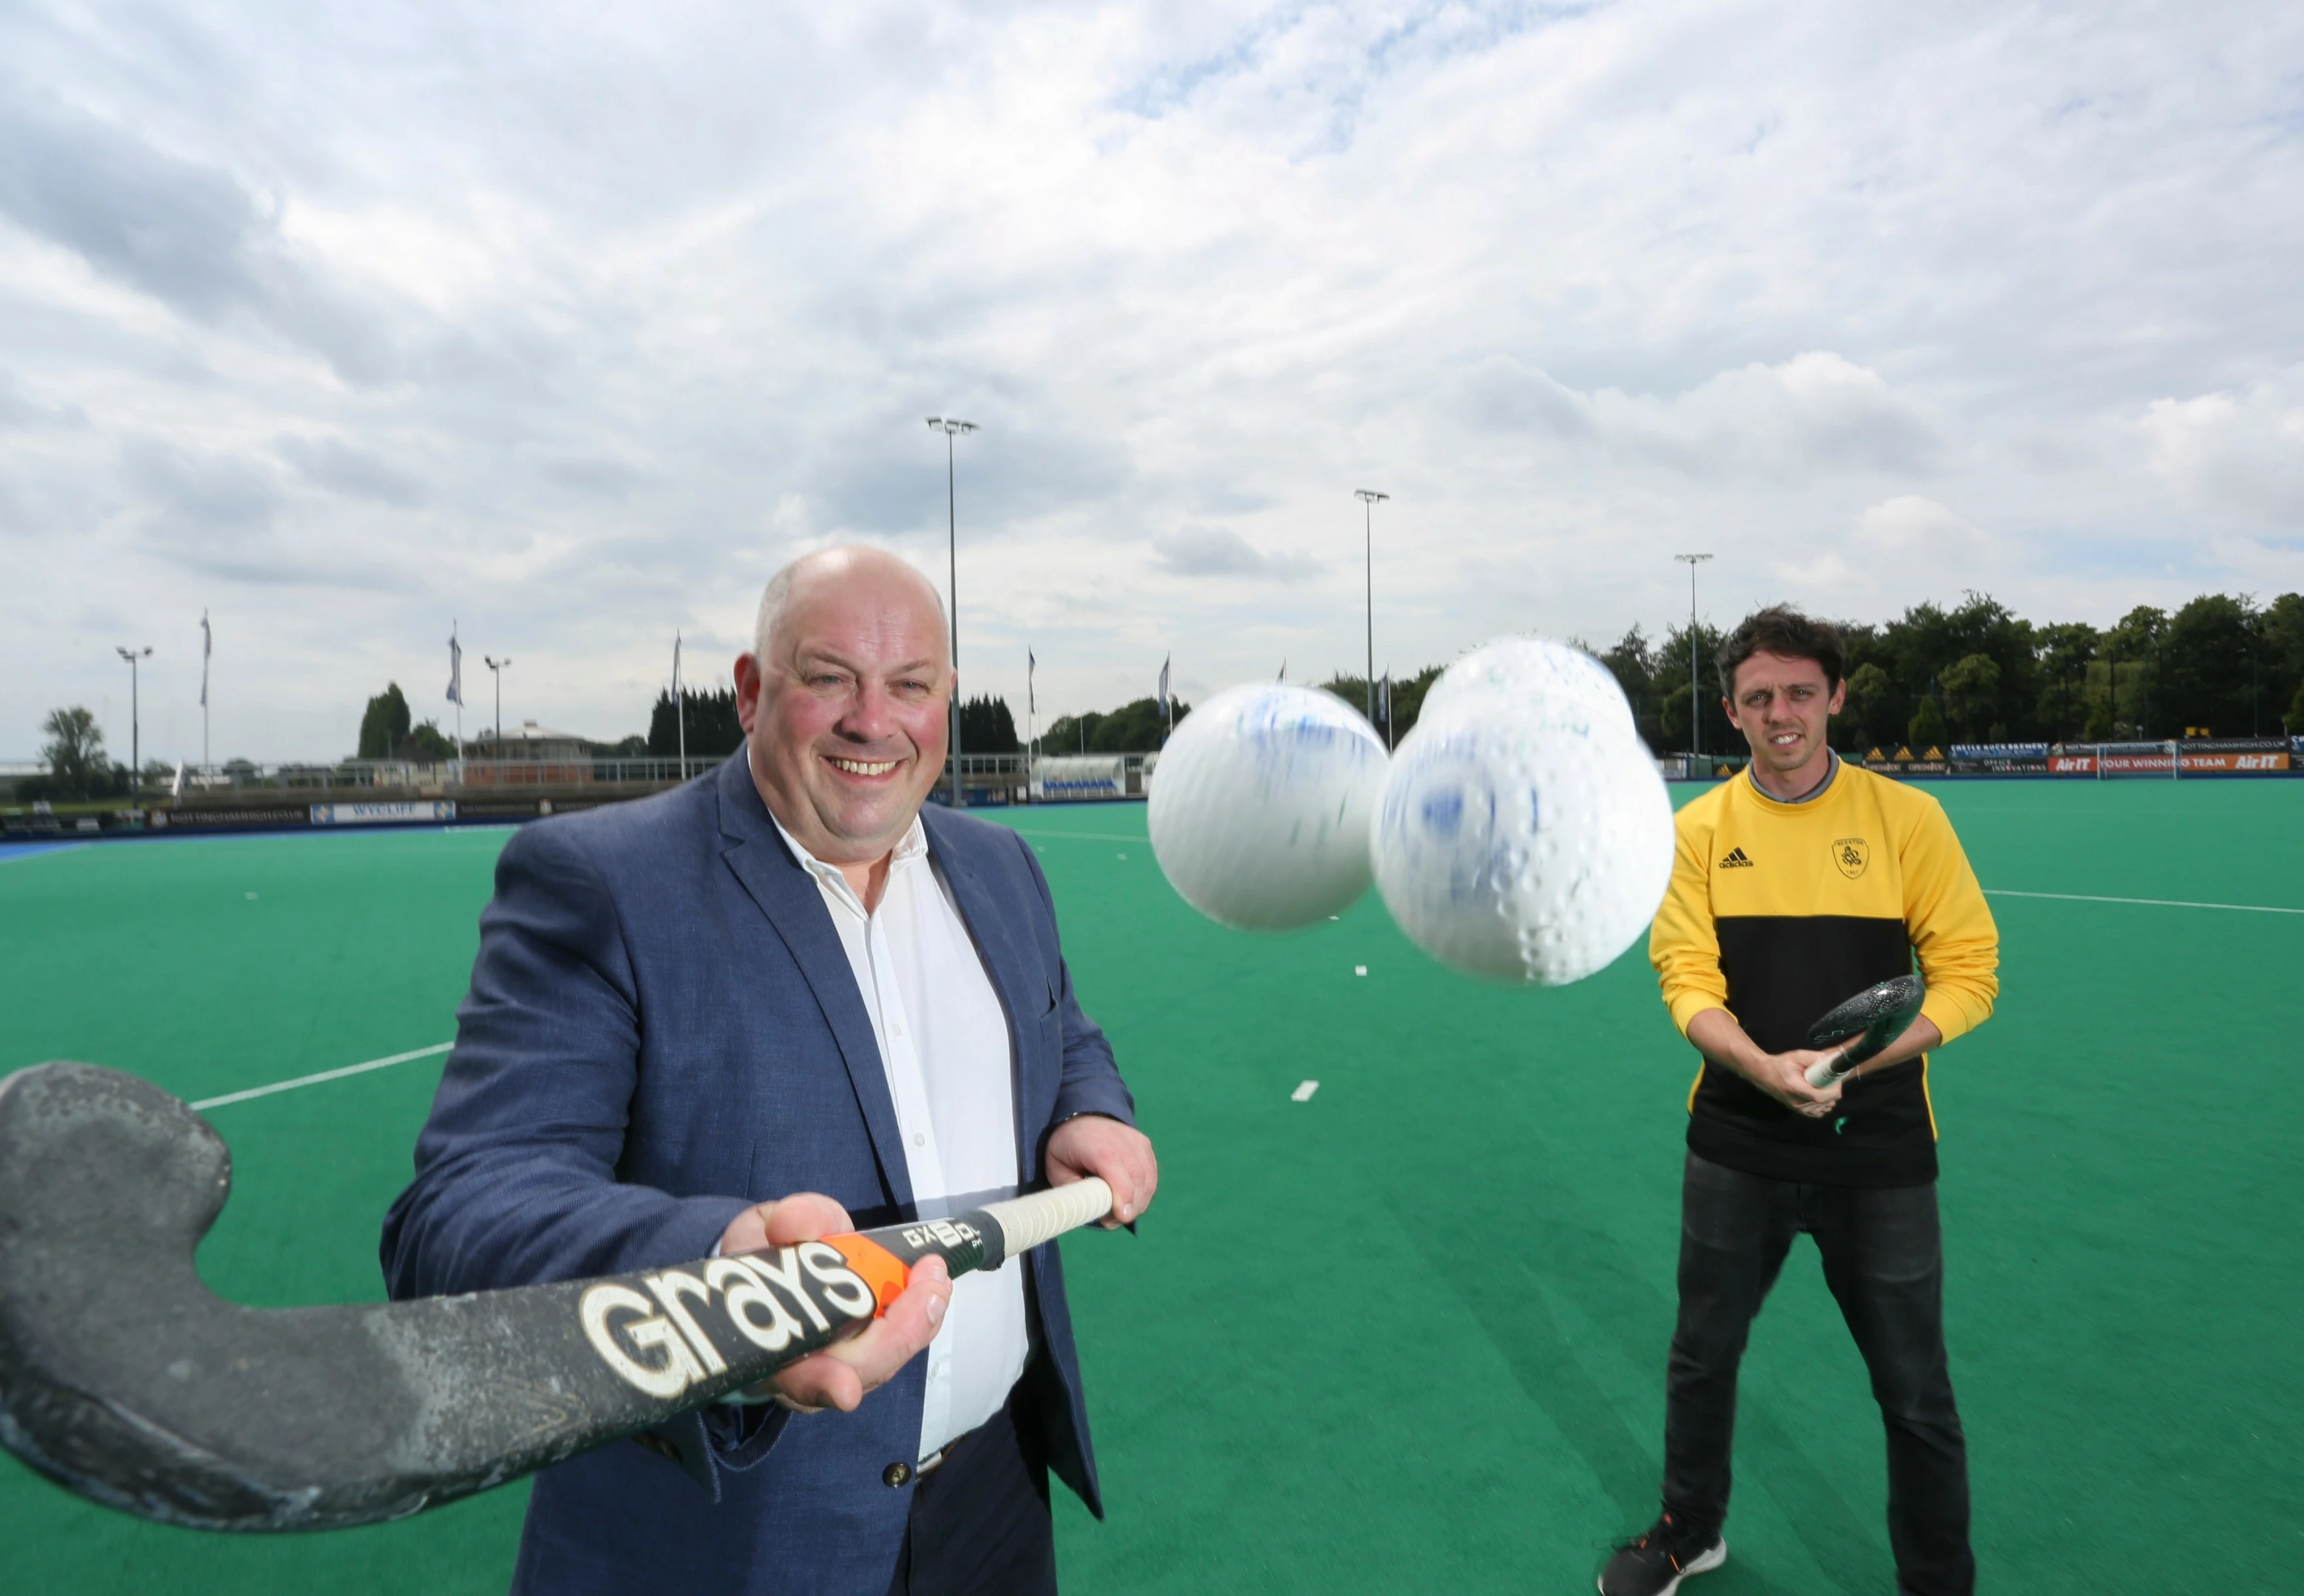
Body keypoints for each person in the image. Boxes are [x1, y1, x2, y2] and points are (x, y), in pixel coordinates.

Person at [381, 545, 1158, 1596]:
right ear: (752, 691)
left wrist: (1088, 1102)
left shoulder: (1002, 867)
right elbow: (454, 1219)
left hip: (994, 1500)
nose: (872, 720)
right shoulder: (604, 882)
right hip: (734, 1542)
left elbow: (1060, 1027)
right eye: (829, 676)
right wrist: (724, 1277)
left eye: (910, 685)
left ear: (948, 702)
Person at [1602, 606, 1998, 1596]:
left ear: (1837, 696)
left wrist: (1852, 1069)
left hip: (1883, 1150)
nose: (1781, 713)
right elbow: (1685, 978)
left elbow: (1968, 973)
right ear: (1733, 712)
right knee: (1702, 1354)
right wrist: (1762, 1065)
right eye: (1759, 697)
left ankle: (1938, 1580)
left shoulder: (1909, 820)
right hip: (1738, 1142)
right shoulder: (1695, 832)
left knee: (1915, 1391)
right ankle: (1689, 1529)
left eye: (1800, 692)